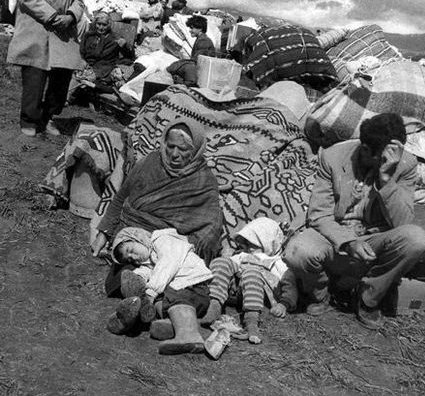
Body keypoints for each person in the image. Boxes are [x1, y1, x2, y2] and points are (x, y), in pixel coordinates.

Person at [283, 113, 425, 330]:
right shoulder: (333, 157)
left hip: (375, 238)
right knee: (298, 251)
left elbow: (403, 222)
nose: (390, 161)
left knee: (416, 239)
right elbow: (319, 215)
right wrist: (348, 242)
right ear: (365, 149)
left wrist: (387, 179)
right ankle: (321, 293)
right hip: (336, 235)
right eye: (382, 158)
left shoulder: (405, 164)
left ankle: (368, 297)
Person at [90, 117, 223, 297]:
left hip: (171, 244)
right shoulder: (149, 162)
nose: (174, 154)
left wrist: (185, 247)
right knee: (120, 279)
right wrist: (104, 233)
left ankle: (157, 300)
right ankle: (145, 298)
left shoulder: (204, 181)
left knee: (179, 279)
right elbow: (122, 196)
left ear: (196, 150)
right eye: (170, 146)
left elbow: (211, 225)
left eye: (183, 149)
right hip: (134, 238)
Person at [106, 227, 213, 355]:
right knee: (159, 301)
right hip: (176, 290)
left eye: (131, 250)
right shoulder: (149, 262)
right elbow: (148, 272)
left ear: (139, 238)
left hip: (193, 284)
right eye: (130, 260)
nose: (133, 257)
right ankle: (171, 326)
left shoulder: (162, 240)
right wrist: (136, 279)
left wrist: (151, 291)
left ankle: (189, 336)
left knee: (176, 297)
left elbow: (167, 263)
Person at [201, 217, 298, 345]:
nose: (249, 246)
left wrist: (284, 304)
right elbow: (228, 267)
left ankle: (251, 322)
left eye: (254, 243)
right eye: (247, 242)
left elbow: (290, 285)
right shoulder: (242, 255)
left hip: (257, 294)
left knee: (251, 272)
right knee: (221, 262)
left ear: (268, 242)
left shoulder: (277, 262)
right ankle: (214, 304)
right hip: (236, 291)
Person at [6, 0, 85, 137]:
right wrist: (52, 16)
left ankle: (48, 117)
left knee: (61, 79)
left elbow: (79, 0)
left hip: (64, 31)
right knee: (34, 77)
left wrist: (70, 17)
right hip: (36, 26)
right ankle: (29, 120)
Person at [75, 12, 135, 94]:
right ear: (95, 23)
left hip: (103, 68)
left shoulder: (115, 38)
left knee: (85, 80)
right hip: (86, 65)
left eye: (104, 25)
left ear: (109, 25)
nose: (101, 27)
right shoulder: (88, 36)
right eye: (99, 24)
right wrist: (82, 63)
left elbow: (130, 56)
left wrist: (125, 45)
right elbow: (81, 52)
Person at [166, 15, 217, 87]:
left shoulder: (204, 40)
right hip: (202, 67)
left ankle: (188, 83)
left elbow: (197, 60)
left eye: (192, 28)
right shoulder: (201, 38)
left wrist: (179, 64)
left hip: (205, 70)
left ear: (200, 29)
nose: (190, 30)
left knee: (188, 67)